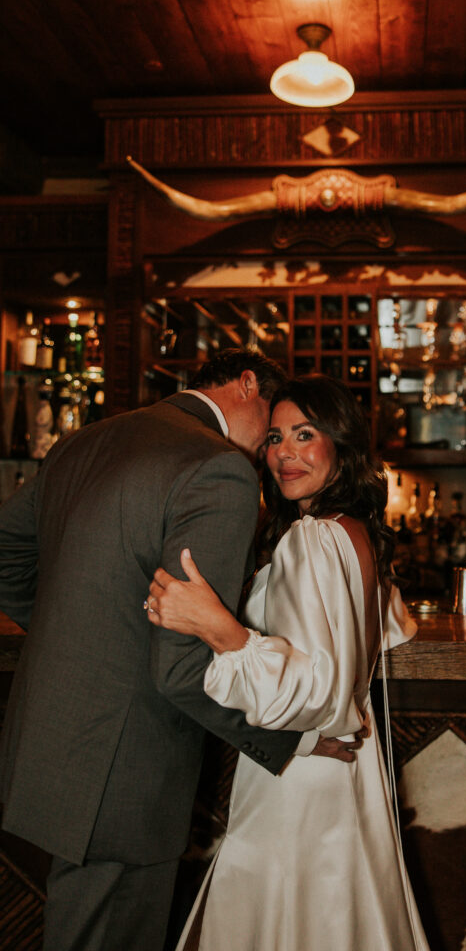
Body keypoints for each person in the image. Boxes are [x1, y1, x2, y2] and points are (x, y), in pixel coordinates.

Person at [0, 349, 360, 951]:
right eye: (272, 429)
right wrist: (290, 737)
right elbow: (182, 665)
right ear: (248, 384)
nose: (271, 451)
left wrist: (82, 634)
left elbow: (7, 555)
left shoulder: (83, 442)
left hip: (45, 757)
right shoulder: (217, 468)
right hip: (123, 771)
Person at [147, 374, 430, 950]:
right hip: (349, 771)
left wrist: (220, 629)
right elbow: (392, 630)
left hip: (300, 779)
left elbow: (316, 694)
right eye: (275, 438)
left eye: (305, 434)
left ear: (340, 445)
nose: (284, 454)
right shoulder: (359, 534)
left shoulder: (311, 538)